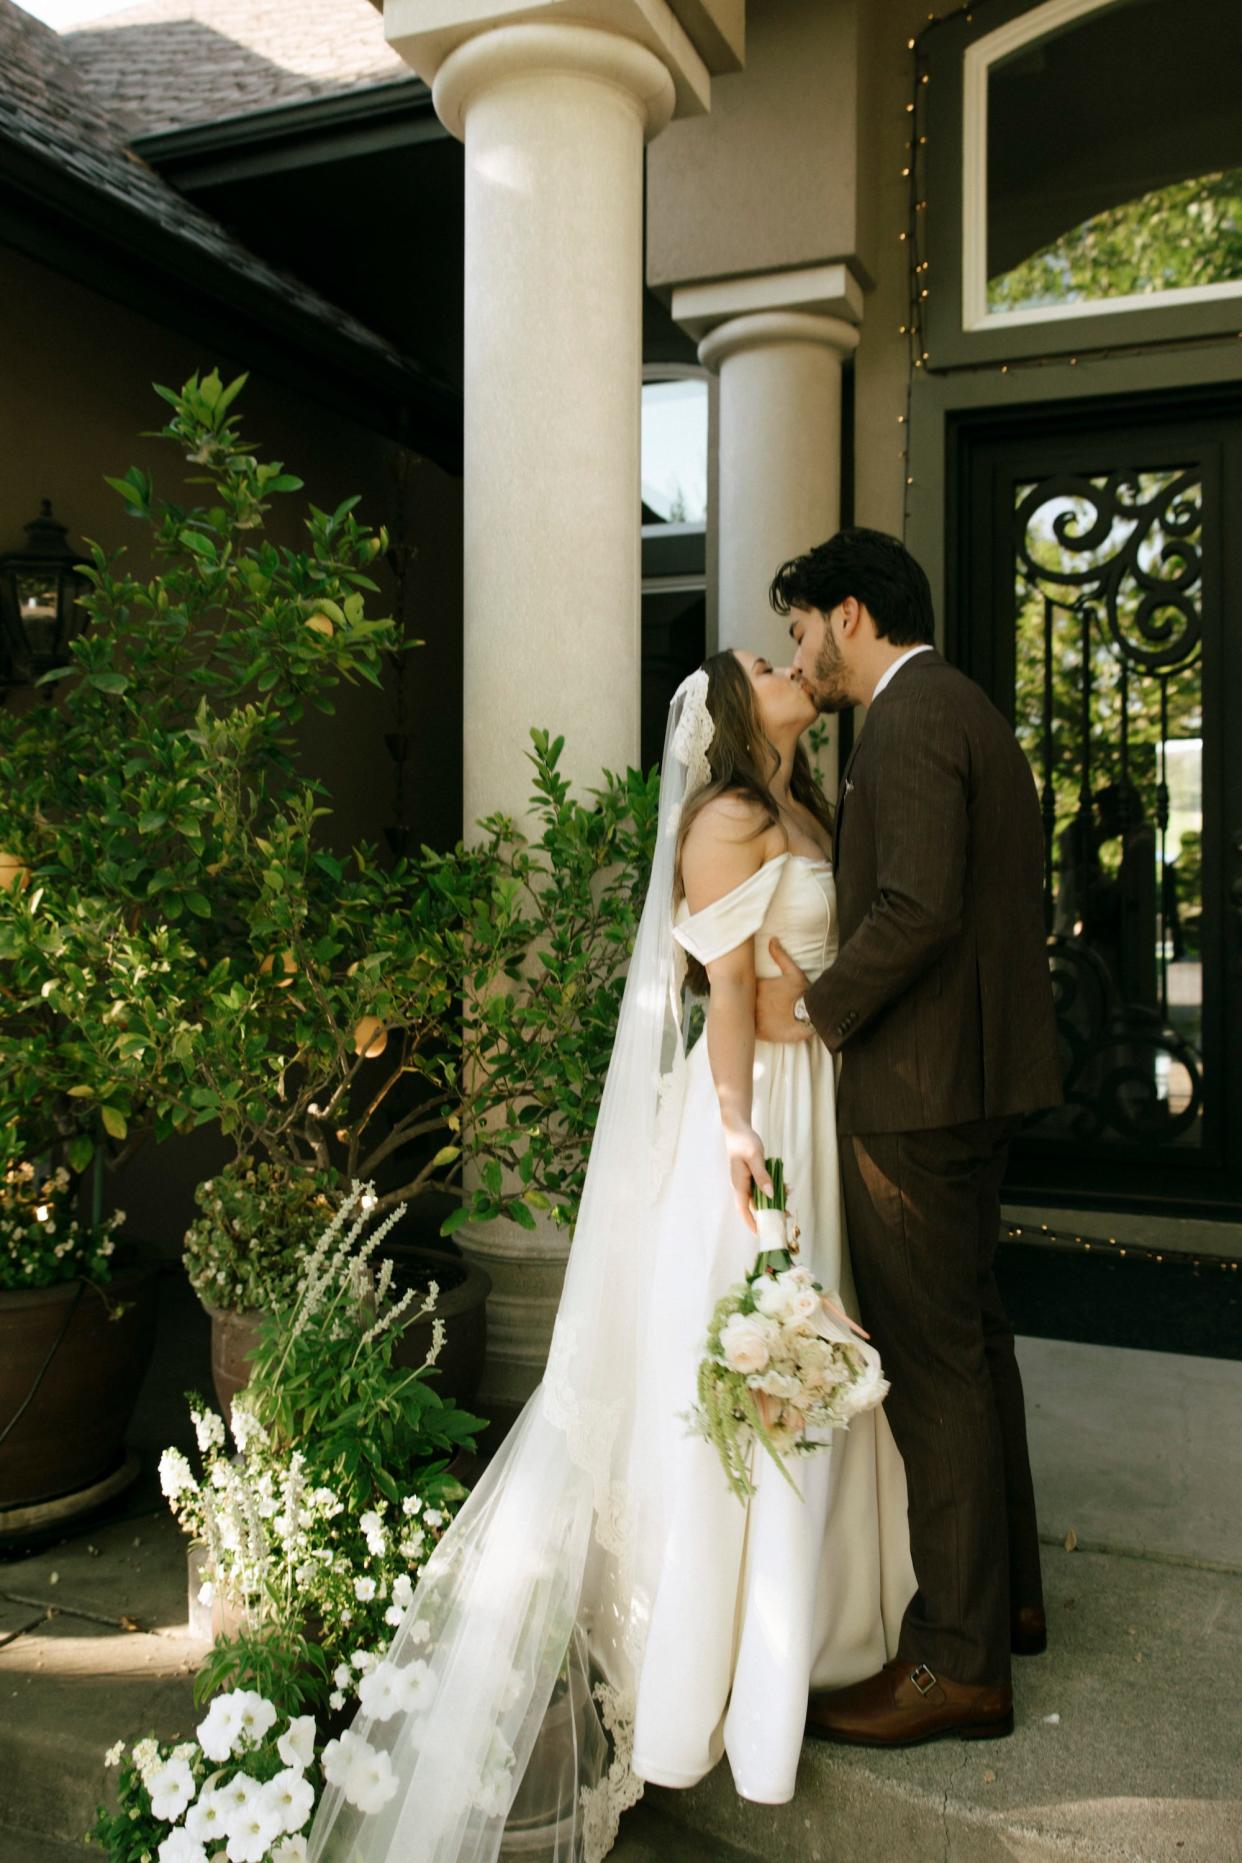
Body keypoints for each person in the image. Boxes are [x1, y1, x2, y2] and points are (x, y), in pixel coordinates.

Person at [308, 646, 915, 1863]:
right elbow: (729, 989)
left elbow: (808, 969)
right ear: (736, 709)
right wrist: (740, 1121)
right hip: (755, 1109)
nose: (790, 661)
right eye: (763, 660)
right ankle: (718, 1664)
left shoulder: (802, 804)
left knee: (804, 1346)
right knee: (746, 1351)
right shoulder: (727, 815)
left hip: (818, 1086)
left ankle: (809, 1626)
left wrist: (824, 1009)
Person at [757, 527, 1063, 1747]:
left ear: (850, 614)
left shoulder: (912, 714)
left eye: (801, 631)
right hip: (968, 1083)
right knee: (974, 1345)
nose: (800, 655)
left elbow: (919, 907)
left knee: (933, 1367)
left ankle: (956, 1664)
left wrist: (818, 1010)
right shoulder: (960, 708)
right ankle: (1010, 1603)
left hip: (924, 1093)